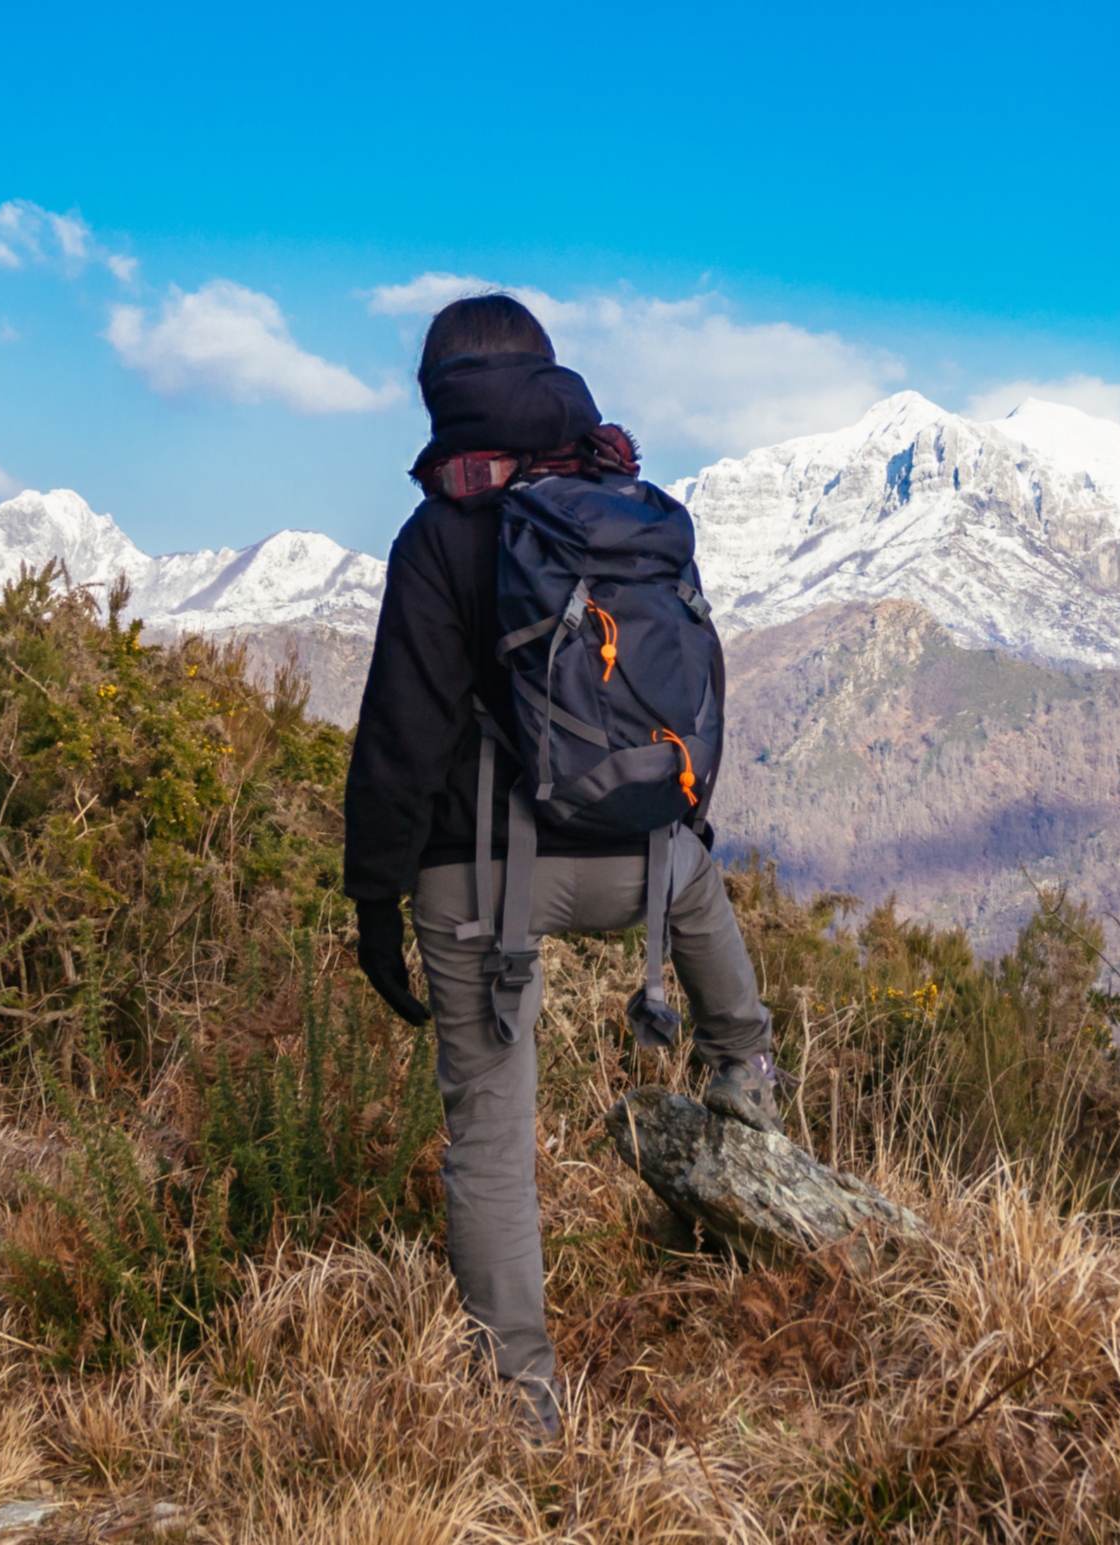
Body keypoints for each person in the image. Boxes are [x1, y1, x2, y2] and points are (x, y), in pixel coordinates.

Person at [343, 294, 782, 1430]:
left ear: (438, 393)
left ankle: (527, 1403)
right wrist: (677, 832)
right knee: (690, 866)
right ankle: (742, 1065)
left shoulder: (443, 529)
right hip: (647, 872)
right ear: (547, 375)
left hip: (487, 887)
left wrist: (374, 898)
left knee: (492, 1140)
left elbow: (403, 732)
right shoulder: (622, 502)